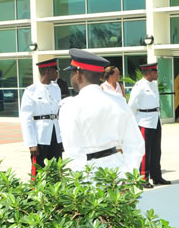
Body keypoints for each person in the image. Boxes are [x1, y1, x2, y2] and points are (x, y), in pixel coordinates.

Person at [58, 49, 144, 178]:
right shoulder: (119, 102)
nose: (71, 78)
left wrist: (81, 182)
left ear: (78, 74)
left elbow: (73, 152)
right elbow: (135, 144)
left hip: (88, 174)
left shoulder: (69, 107)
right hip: (118, 171)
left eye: (71, 73)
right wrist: (128, 176)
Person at [128, 63, 170, 188]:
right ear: (149, 72)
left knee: (156, 151)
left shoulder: (153, 84)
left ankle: (156, 177)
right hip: (144, 121)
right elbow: (131, 106)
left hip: (155, 120)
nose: (157, 74)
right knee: (145, 152)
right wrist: (133, 123)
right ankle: (142, 178)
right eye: (155, 71)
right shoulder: (139, 86)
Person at [19, 58, 63, 178]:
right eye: (55, 70)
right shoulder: (31, 91)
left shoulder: (56, 88)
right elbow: (26, 119)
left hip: (55, 134)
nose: (57, 73)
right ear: (48, 71)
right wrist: (31, 143)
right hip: (40, 136)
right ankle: (36, 194)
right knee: (38, 170)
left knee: (57, 168)